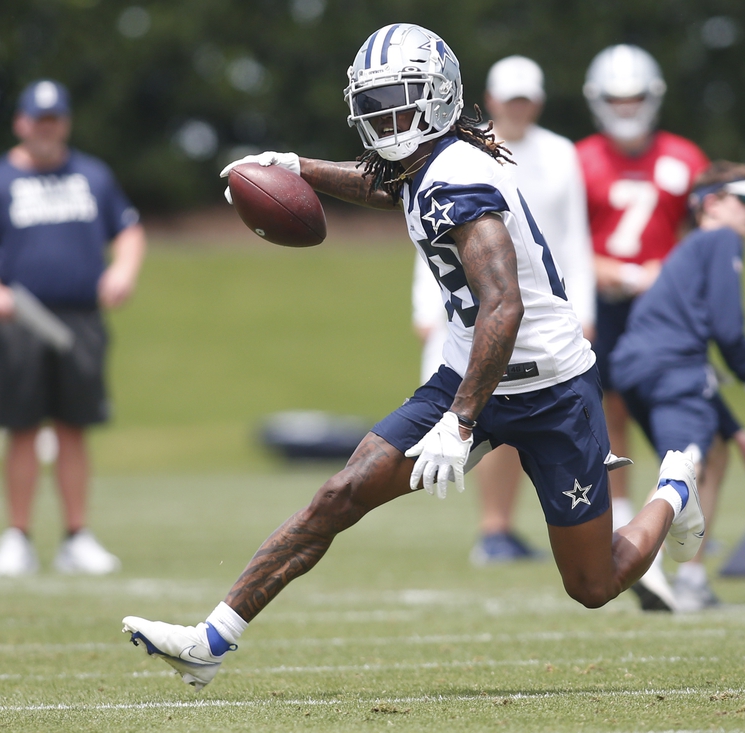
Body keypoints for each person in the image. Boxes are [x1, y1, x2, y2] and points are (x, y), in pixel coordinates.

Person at [122, 23, 705, 690]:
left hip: (550, 386)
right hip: (468, 371)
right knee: (341, 493)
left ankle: (674, 487)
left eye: (401, 99)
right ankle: (212, 640)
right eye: (375, 103)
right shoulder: (427, 164)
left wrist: (460, 424)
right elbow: (386, 188)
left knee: (593, 583)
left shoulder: (457, 177)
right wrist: (297, 168)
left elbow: (504, 306)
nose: (386, 117)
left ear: (439, 98)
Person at [411, 55, 595, 565]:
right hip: (474, 307)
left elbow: (574, 240)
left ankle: (512, 528)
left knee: (525, 420)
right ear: (488, 100)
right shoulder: (460, 149)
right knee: (483, 416)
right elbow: (430, 228)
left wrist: (584, 308)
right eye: (509, 99)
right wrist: (426, 301)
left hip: (540, 311)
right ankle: (493, 528)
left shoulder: (561, 153)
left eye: (526, 98)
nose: (517, 108)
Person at [610, 161, 745, 611]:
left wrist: (737, 430)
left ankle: (692, 578)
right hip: (671, 366)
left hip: (640, 366)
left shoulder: (690, 249)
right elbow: (728, 330)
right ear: (711, 204)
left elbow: (693, 357)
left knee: (713, 450)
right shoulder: (721, 239)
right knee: (686, 464)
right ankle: (643, 558)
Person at [576, 44, 710, 610]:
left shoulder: (684, 157)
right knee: (607, 422)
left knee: (691, 424)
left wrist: (669, 270)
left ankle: (689, 555)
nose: (626, 108)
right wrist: (600, 269)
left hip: (665, 309)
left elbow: (710, 236)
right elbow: (555, 240)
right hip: (598, 306)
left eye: (634, 97)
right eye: (616, 98)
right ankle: (625, 534)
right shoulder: (577, 159)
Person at [0, 80, 145, 577]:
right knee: (21, 428)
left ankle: (75, 536)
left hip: (81, 318)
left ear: (64, 122)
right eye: (38, 120)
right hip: (20, 320)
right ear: (21, 122)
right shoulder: (2, 178)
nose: (46, 129)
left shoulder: (91, 175)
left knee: (74, 427)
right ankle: (16, 537)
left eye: (54, 120)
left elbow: (127, 229)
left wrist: (122, 271)